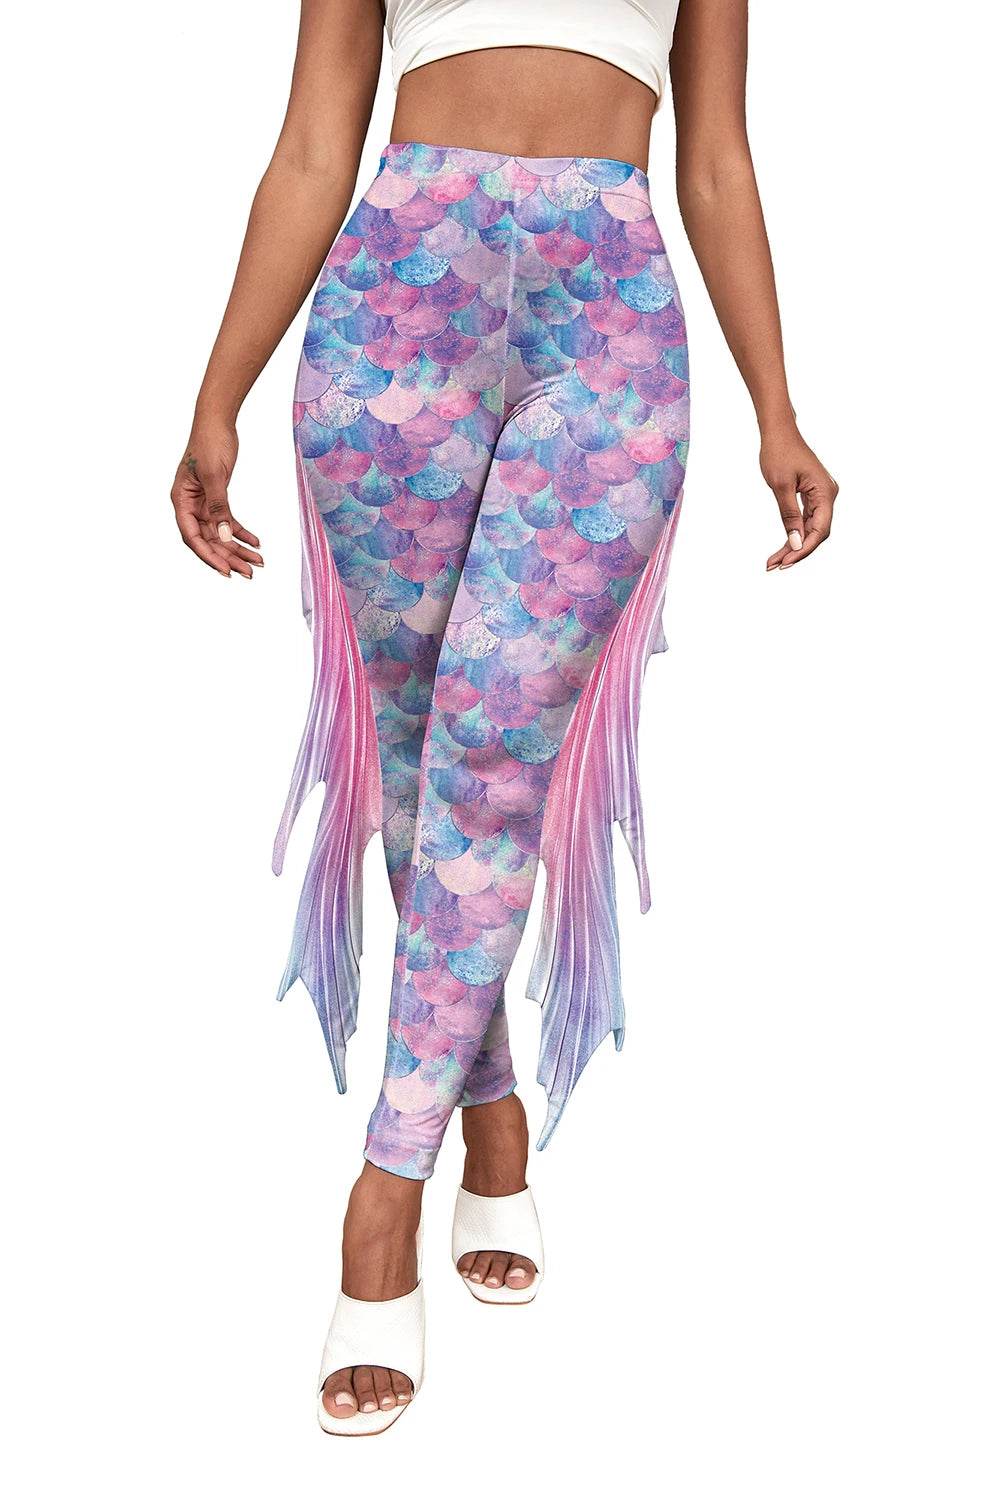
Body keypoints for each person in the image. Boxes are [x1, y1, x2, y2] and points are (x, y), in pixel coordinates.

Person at [170, 0, 838, 1434]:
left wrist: (777, 409)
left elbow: (715, 158)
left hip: (610, 328)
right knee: (421, 771)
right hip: (393, 300)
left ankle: (383, 1190)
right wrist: (217, 394)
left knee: (491, 758)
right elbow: (314, 146)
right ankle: (488, 1111)